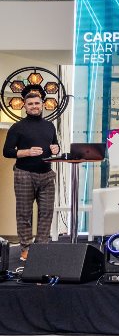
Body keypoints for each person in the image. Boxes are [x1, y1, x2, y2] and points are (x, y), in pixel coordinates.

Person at [2, 91, 59, 262]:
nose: (34, 106)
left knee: (46, 213)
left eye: (37, 103)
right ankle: (26, 248)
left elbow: (55, 146)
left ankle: (41, 248)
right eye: (30, 104)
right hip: (24, 174)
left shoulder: (50, 126)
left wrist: (56, 149)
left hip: (47, 174)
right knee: (24, 213)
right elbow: (7, 152)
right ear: (25, 107)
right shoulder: (17, 127)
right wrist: (27, 152)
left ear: (42, 104)